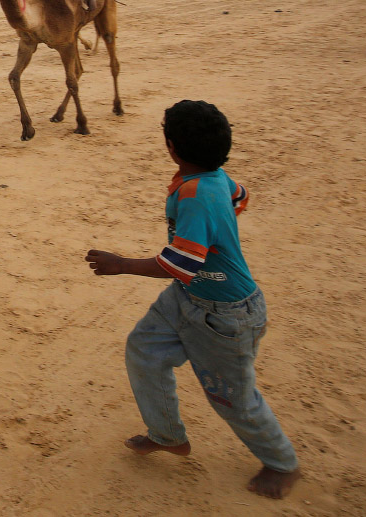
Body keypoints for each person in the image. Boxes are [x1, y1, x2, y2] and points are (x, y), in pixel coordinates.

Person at [84, 100, 301, 500]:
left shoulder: (196, 195)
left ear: (171, 147)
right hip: (188, 298)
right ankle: (167, 435)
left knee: (233, 398)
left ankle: (281, 462)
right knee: (143, 351)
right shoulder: (215, 179)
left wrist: (122, 264)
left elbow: (180, 263)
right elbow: (241, 197)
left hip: (226, 316)